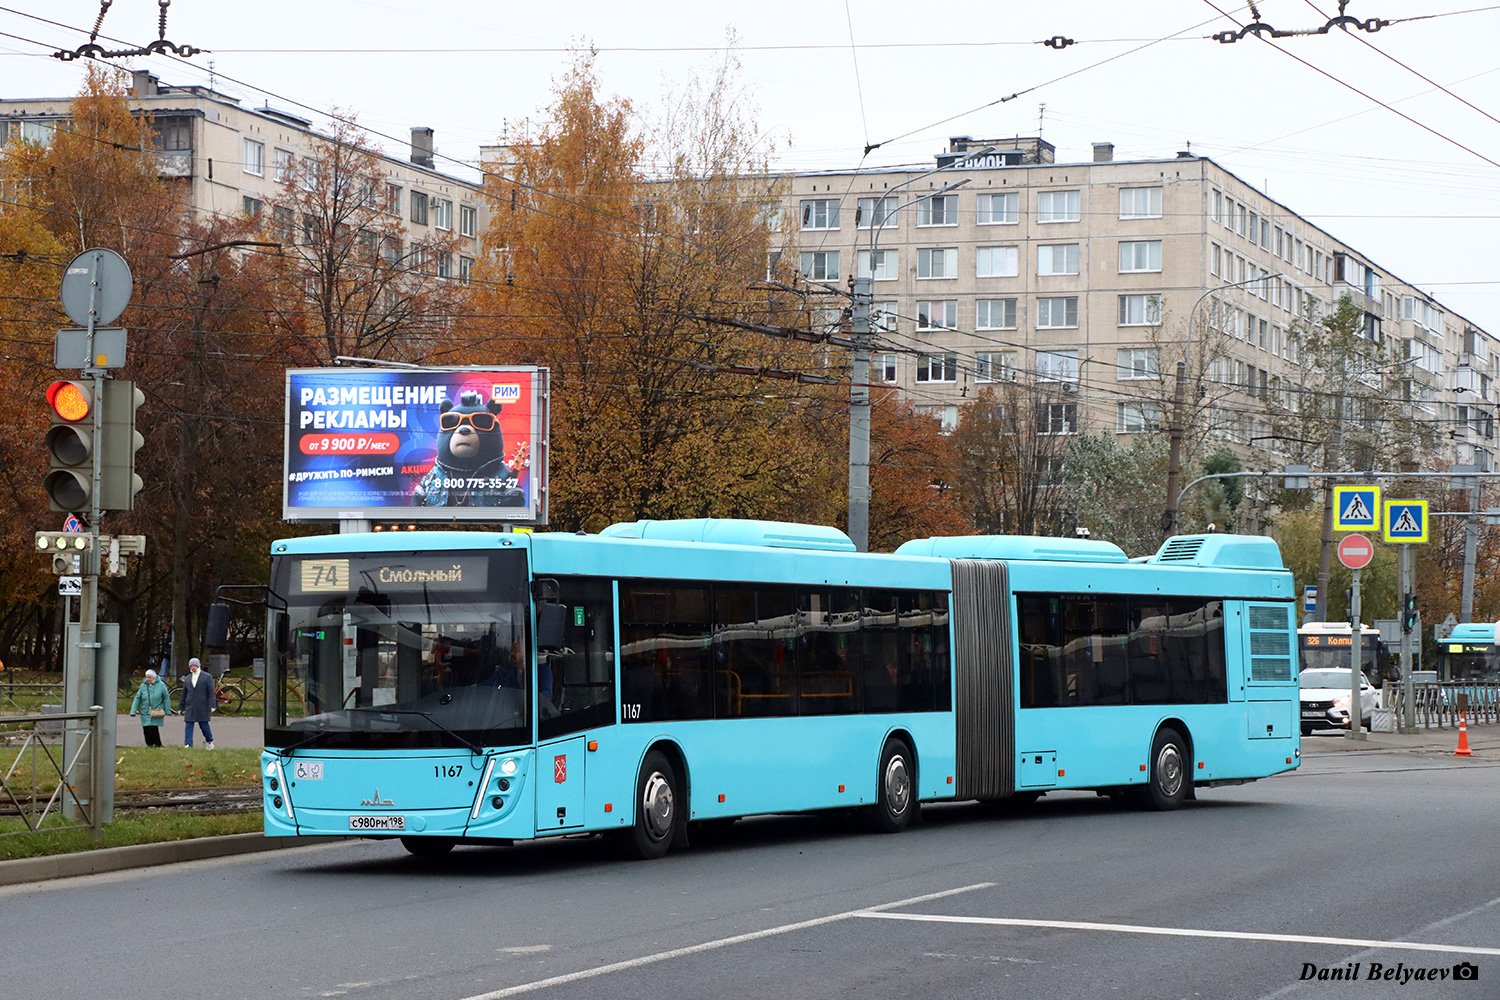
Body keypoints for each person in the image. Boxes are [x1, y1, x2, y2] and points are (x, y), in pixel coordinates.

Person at [179, 657, 216, 749]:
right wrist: (180, 707)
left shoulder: (207, 677)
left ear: (198, 666)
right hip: (190, 705)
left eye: (195, 665)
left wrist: (212, 705)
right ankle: (188, 744)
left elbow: (211, 692)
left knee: (204, 726)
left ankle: (209, 741)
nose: (193, 668)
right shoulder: (187, 678)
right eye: (191, 666)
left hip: (203, 706)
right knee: (188, 725)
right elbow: (184, 694)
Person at [129, 669, 172, 747]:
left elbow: (166, 698)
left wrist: (167, 710)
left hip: (156, 710)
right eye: (147, 677)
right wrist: (133, 711)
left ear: (154, 677)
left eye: (150, 677)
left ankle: (158, 744)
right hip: (145, 711)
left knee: (153, 727)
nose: (147, 679)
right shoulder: (143, 686)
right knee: (146, 728)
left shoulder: (161, 685)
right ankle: (149, 744)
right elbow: (137, 698)